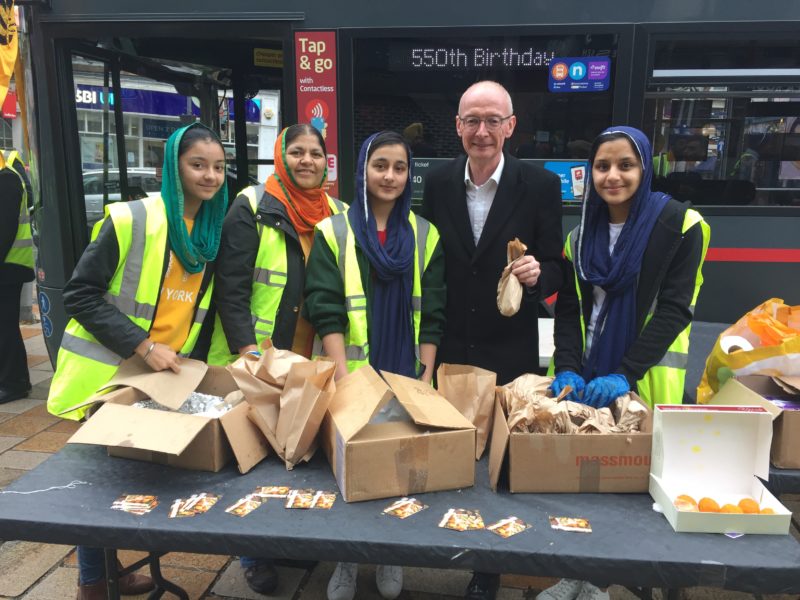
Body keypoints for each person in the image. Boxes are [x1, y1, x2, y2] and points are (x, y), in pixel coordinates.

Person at [46, 122, 228, 599]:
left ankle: (115, 566)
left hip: (161, 375)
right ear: (172, 166)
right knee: (100, 484)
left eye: (218, 166)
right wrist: (143, 347)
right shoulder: (131, 219)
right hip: (110, 370)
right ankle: (93, 582)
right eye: (197, 165)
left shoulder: (208, 232)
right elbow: (80, 294)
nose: (209, 176)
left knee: (132, 480)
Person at [543, 126, 710, 600]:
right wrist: (568, 367)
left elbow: (677, 309)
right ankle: (578, 575)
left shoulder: (681, 226)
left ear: (645, 168)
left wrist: (626, 373)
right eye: (602, 166)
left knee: (639, 497)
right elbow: (572, 309)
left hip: (646, 381)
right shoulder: (581, 236)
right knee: (585, 483)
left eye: (625, 165)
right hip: (589, 378)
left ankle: (606, 582)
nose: (612, 176)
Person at [420, 81, 563, 599]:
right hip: (453, 347)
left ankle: (488, 566)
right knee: (453, 455)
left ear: (510, 126)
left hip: (510, 349)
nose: (483, 131)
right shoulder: (436, 182)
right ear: (457, 126)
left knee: (499, 466)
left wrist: (537, 274)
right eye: (472, 120)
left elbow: (557, 268)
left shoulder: (540, 185)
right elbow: (428, 264)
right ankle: (439, 539)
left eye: (493, 120)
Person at [304, 130, 445, 600]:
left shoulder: (425, 235)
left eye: (399, 167)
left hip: (404, 370)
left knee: (398, 467)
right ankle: (346, 558)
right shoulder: (334, 232)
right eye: (380, 165)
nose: (389, 176)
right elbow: (324, 305)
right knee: (349, 468)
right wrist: (344, 375)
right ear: (363, 170)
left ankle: (390, 554)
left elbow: (434, 310)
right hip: (353, 373)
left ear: (409, 175)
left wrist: (425, 374)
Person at [207, 123, 344, 595]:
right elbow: (232, 285)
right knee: (256, 455)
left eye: (316, 153)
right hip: (261, 355)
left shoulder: (338, 212)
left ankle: (287, 535)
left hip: (311, 355)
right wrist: (247, 350)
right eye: (297, 152)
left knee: (300, 447)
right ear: (280, 156)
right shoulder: (251, 206)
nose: (307, 161)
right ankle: (252, 553)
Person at [0, 150, 33, 405]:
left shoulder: (6, 178)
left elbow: (5, 230)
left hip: (9, 266)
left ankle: (15, 383)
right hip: (8, 266)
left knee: (5, 326)